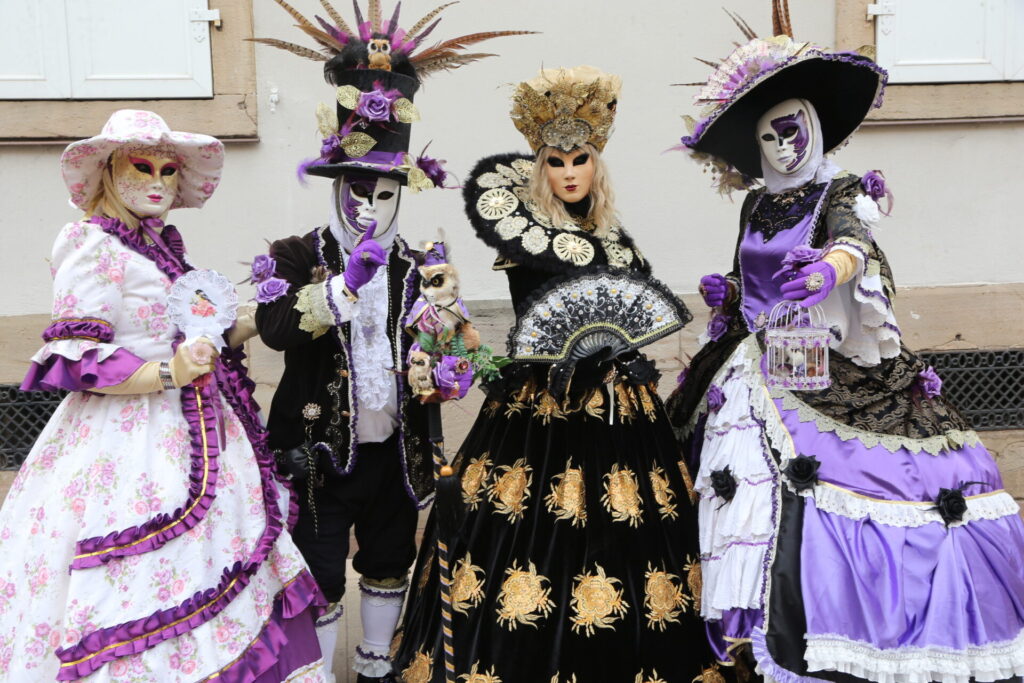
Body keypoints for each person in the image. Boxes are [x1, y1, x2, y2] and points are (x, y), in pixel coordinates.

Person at [667, 9, 1024, 682]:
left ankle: (825, 629)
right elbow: (749, 274)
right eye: (769, 136)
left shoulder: (841, 190)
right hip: (751, 360)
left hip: (823, 359)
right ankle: (735, 632)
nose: (782, 147)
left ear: (813, 124)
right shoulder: (754, 205)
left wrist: (827, 272)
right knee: (730, 478)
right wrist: (730, 291)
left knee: (835, 477)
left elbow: (855, 244)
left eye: (792, 130)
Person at [394, 66, 727, 683]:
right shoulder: (524, 237)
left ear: (597, 164)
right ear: (540, 167)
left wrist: (623, 354)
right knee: (529, 536)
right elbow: (540, 317)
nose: (570, 172)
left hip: (622, 405)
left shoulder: (617, 238)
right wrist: (575, 352)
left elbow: (620, 312)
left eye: (581, 159)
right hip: (544, 399)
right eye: (556, 161)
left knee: (631, 537)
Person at [250, 2, 531, 680]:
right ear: (335, 188)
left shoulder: (420, 265)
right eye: (357, 191)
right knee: (318, 573)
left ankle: (375, 668)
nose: (369, 208)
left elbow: (452, 345)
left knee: (388, 561)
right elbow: (277, 330)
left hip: (394, 456)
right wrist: (342, 288)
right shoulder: (297, 255)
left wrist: (456, 367)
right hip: (318, 455)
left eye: (383, 194)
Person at [0, 109, 326, 681]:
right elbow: (81, 359)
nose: (157, 181)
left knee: (223, 557)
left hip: (202, 429)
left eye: (169, 170)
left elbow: (201, 336)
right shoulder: (89, 242)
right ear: (108, 171)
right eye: (141, 167)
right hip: (129, 442)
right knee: (139, 581)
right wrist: (169, 373)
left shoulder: (161, 246)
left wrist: (267, 312)